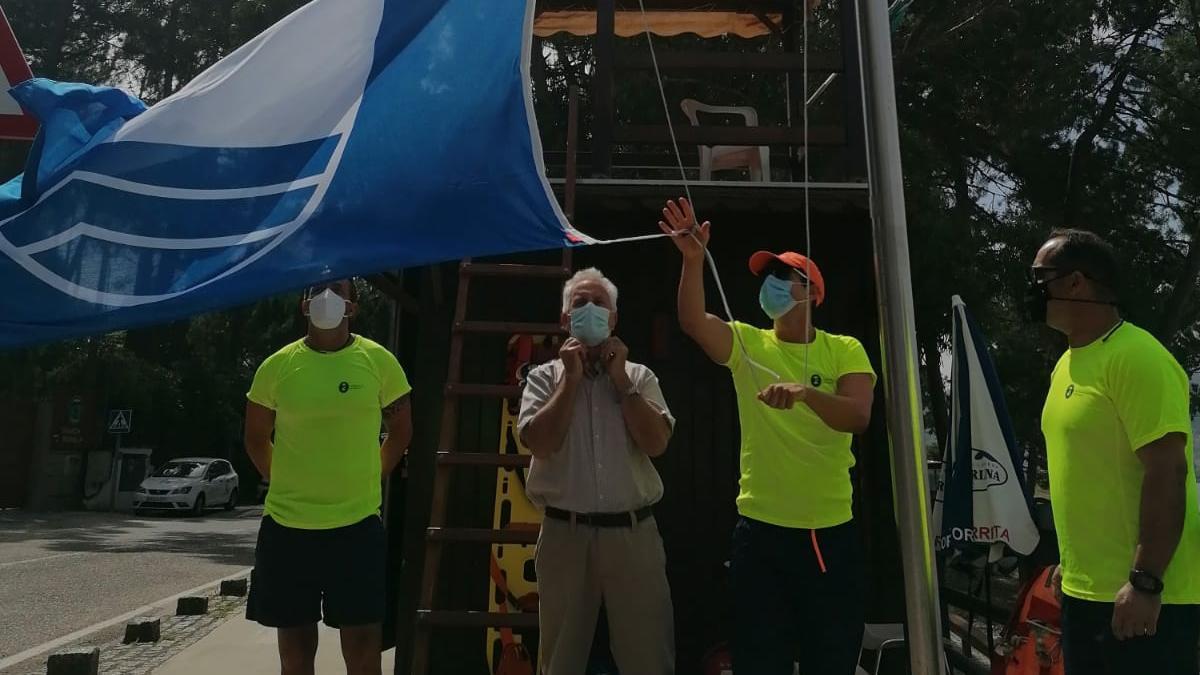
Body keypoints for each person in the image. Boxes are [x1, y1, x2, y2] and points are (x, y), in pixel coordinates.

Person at [658, 198, 875, 675]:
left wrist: (805, 394)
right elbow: (694, 322)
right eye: (768, 278)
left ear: (812, 294)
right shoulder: (748, 343)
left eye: (784, 279)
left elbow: (858, 416)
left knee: (830, 660)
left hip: (825, 533)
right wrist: (693, 260)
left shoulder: (844, 349)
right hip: (759, 533)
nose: (772, 287)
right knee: (759, 661)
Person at [1030, 229, 1200, 674]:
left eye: (1040, 277)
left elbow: (1167, 470)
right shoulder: (1068, 363)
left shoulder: (1138, 357)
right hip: (1089, 594)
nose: (1033, 290)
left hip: (1148, 598)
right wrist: (1073, 568)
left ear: (1075, 283)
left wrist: (1146, 581)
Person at [243, 279, 413, 675]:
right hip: (288, 529)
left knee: (363, 650)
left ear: (353, 306)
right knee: (296, 652)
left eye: (338, 289)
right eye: (317, 289)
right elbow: (254, 437)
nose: (326, 297)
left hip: (356, 528)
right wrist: (285, 479)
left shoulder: (379, 361)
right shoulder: (277, 365)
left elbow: (401, 431)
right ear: (303, 304)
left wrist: (374, 471)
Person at [518, 267, 676, 675]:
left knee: (648, 658)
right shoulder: (542, 378)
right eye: (579, 304)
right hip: (563, 535)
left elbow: (657, 443)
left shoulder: (639, 376)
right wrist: (569, 381)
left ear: (614, 319)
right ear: (565, 320)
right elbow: (540, 442)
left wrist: (621, 380)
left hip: (633, 534)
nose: (589, 309)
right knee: (560, 661)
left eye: (598, 303)